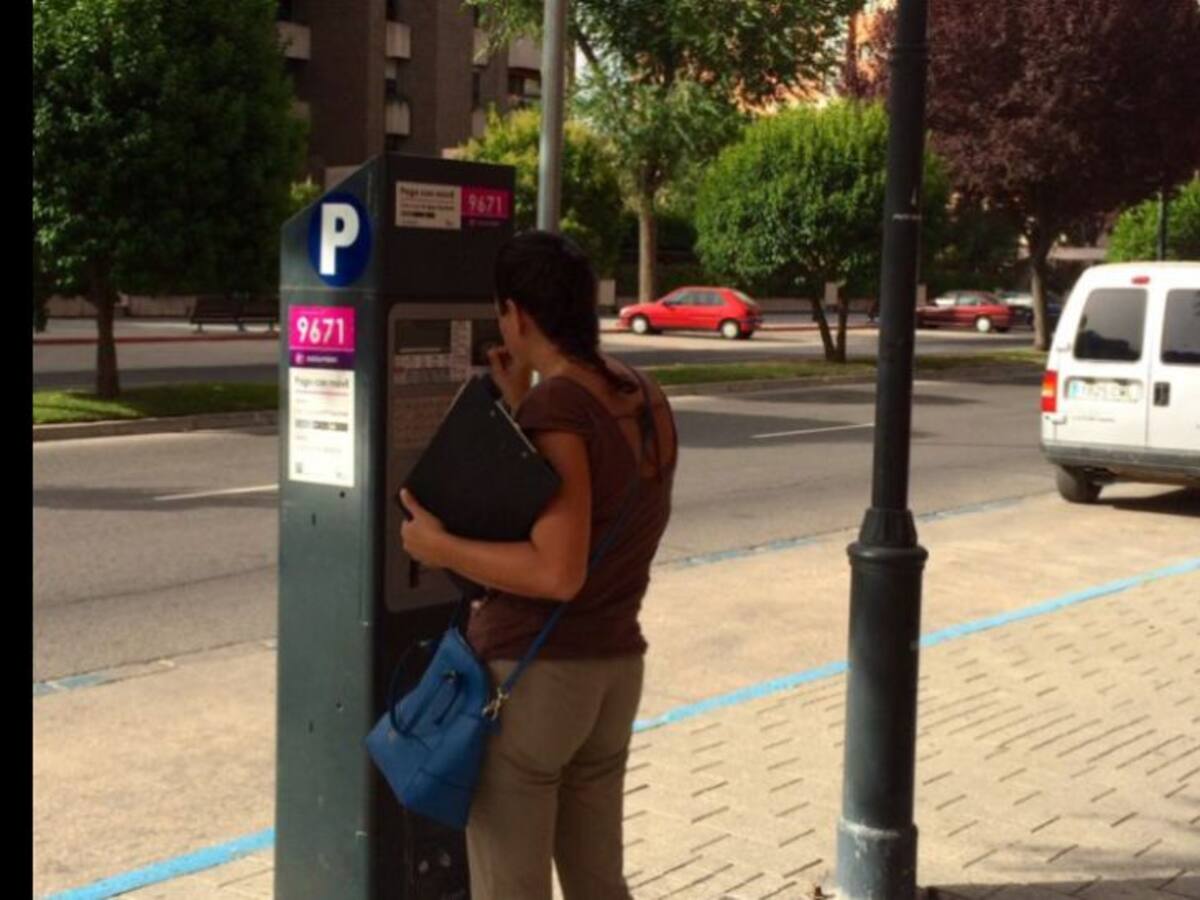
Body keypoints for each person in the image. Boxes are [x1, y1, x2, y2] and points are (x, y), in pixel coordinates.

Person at [399, 230, 678, 900]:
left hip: (537, 680)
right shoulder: (645, 394)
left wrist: (439, 549)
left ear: (518, 315)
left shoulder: (561, 407)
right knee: (597, 882)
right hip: (613, 670)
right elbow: (597, 502)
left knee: (509, 888)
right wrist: (520, 396)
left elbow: (557, 572)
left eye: (503, 314)